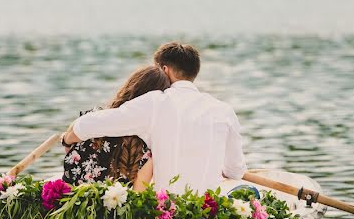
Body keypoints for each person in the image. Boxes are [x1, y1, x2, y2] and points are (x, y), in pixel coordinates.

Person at [62, 42, 247, 193]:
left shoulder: (154, 103)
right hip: (208, 216)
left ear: (164, 70)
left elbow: (85, 125)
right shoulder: (224, 111)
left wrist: (66, 140)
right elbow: (235, 171)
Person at [61, 65, 170, 189]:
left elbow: (68, 144)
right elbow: (138, 196)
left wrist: (65, 141)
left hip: (66, 204)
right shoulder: (145, 152)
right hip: (111, 206)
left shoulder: (90, 119)